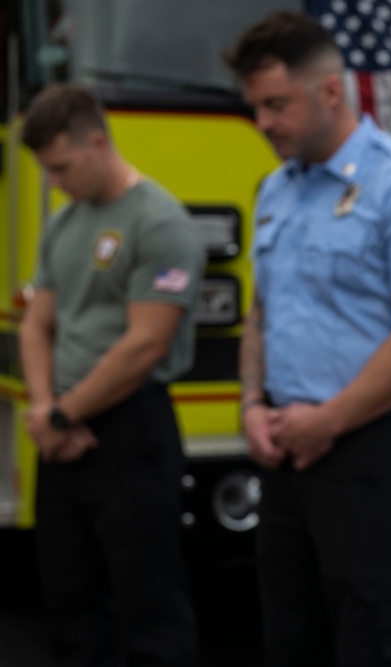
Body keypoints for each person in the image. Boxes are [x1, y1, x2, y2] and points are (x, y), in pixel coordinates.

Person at [223, 11, 391, 667]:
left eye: (276, 104)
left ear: (330, 91)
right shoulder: (274, 191)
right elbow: (260, 313)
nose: (264, 123)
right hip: (285, 448)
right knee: (289, 634)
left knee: (377, 636)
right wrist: (251, 404)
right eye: (256, 108)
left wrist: (327, 420)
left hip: (369, 450)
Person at [19, 83, 203, 666]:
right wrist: (49, 408)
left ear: (98, 143)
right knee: (69, 597)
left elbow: (145, 344)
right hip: (63, 429)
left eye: (61, 167)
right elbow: (37, 326)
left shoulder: (161, 222)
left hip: (131, 430)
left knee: (148, 598)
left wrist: (62, 415)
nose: (53, 182)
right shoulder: (64, 223)